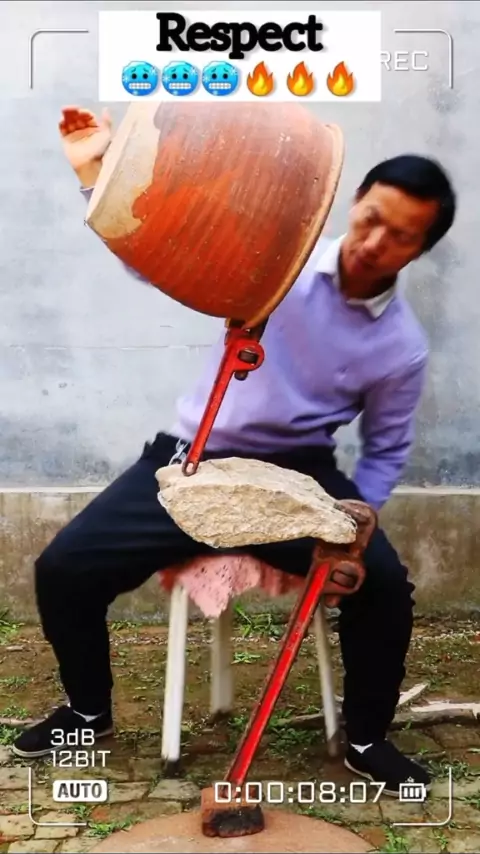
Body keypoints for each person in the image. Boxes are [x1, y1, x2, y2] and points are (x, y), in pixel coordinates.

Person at [13, 107, 456, 797]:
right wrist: (96, 174)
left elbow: (386, 448)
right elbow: (163, 262)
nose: (374, 243)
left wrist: (358, 523)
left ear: (420, 248)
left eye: (400, 236)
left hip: (299, 475)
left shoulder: (400, 346)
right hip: (190, 458)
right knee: (64, 569)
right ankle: (89, 712)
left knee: (382, 586)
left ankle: (368, 738)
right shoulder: (280, 259)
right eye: (371, 218)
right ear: (355, 201)